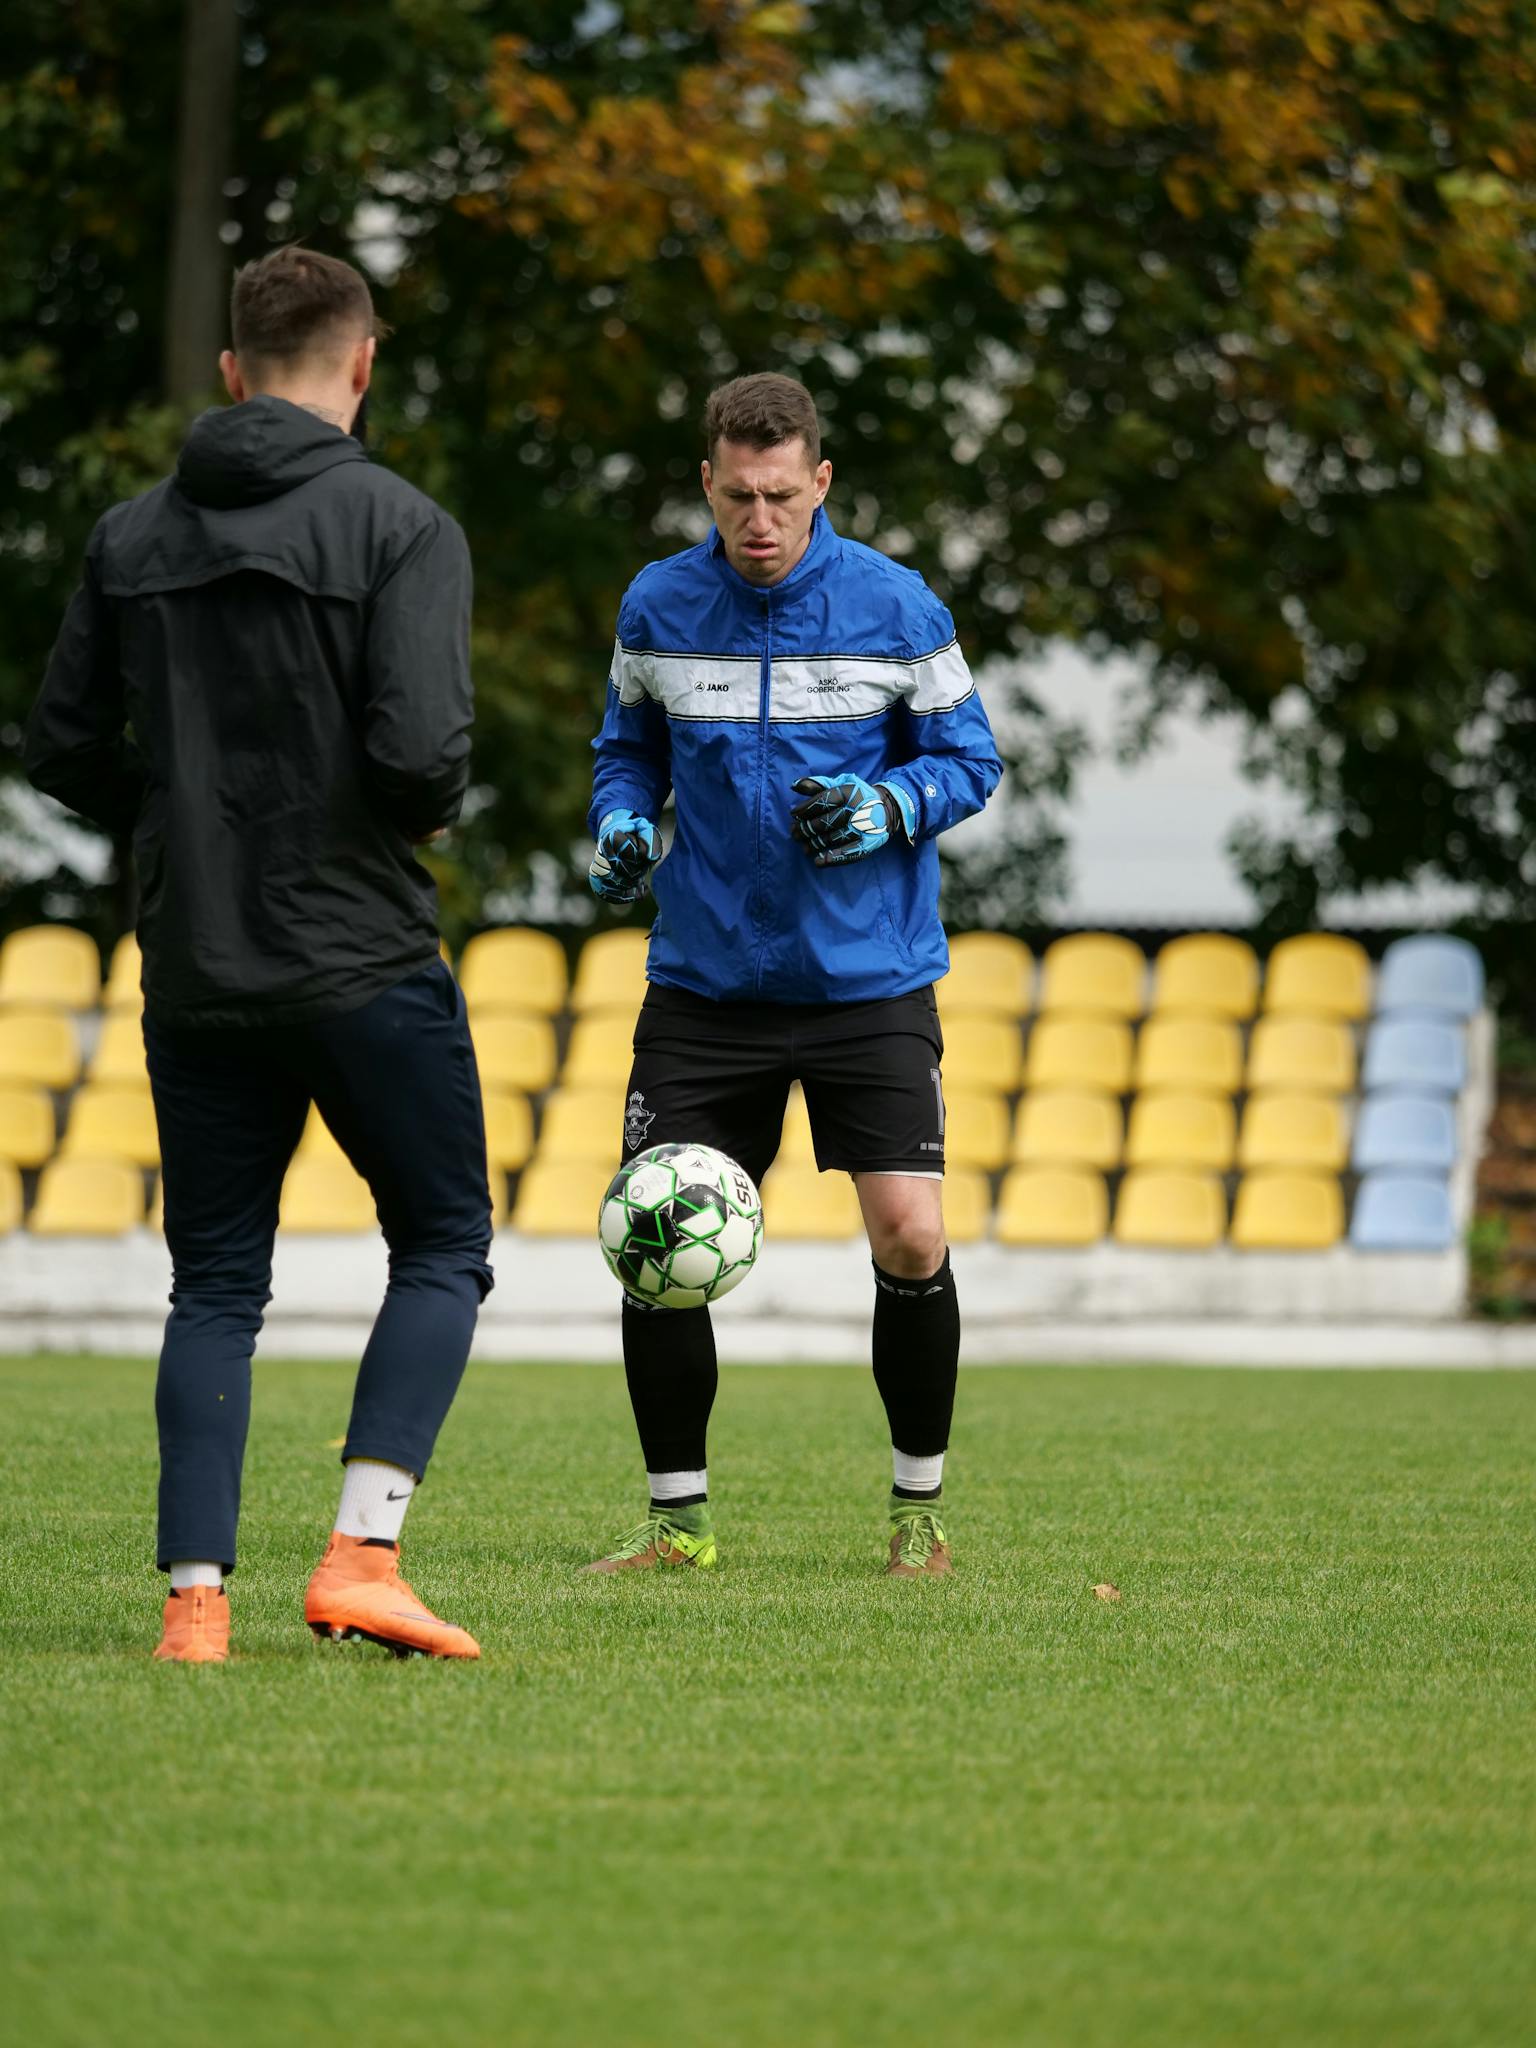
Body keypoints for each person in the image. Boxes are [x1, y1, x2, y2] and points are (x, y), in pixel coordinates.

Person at [25, 245, 492, 1663]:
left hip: (199, 962)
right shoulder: (402, 526)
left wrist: (176, 824)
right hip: (361, 956)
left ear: (232, 372)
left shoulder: (130, 536)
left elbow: (58, 746)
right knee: (444, 1243)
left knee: (216, 1284)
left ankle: (194, 1604)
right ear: (361, 366)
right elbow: (421, 763)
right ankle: (359, 1554)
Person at [584, 371, 1002, 1577]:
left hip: (867, 981)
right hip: (705, 987)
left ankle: (917, 1513)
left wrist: (888, 804)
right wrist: (619, 824)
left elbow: (972, 760)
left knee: (911, 1235)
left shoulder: (898, 603)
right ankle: (678, 1528)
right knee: (656, 1238)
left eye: (780, 496)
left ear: (820, 482)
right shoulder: (658, 604)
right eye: (734, 498)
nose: (757, 522)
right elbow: (627, 753)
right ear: (705, 486)